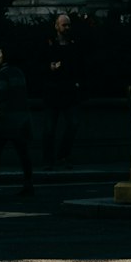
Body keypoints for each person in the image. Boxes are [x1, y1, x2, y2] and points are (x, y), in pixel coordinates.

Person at [0, 48, 35, 196]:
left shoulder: (3, 73)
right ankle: (28, 183)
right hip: (21, 118)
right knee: (23, 153)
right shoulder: (19, 72)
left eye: (0, 54)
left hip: (6, 119)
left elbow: (0, 93)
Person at [39, 15, 82, 163]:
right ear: (57, 26)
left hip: (69, 90)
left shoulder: (73, 44)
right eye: (64, 25)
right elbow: (39, 64)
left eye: (68, 25)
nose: (67, 28)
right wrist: (49, 67)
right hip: (53, 91)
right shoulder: (49, 44)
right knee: (49, 129)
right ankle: (48, 159)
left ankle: (63, 155)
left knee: (73, 125)